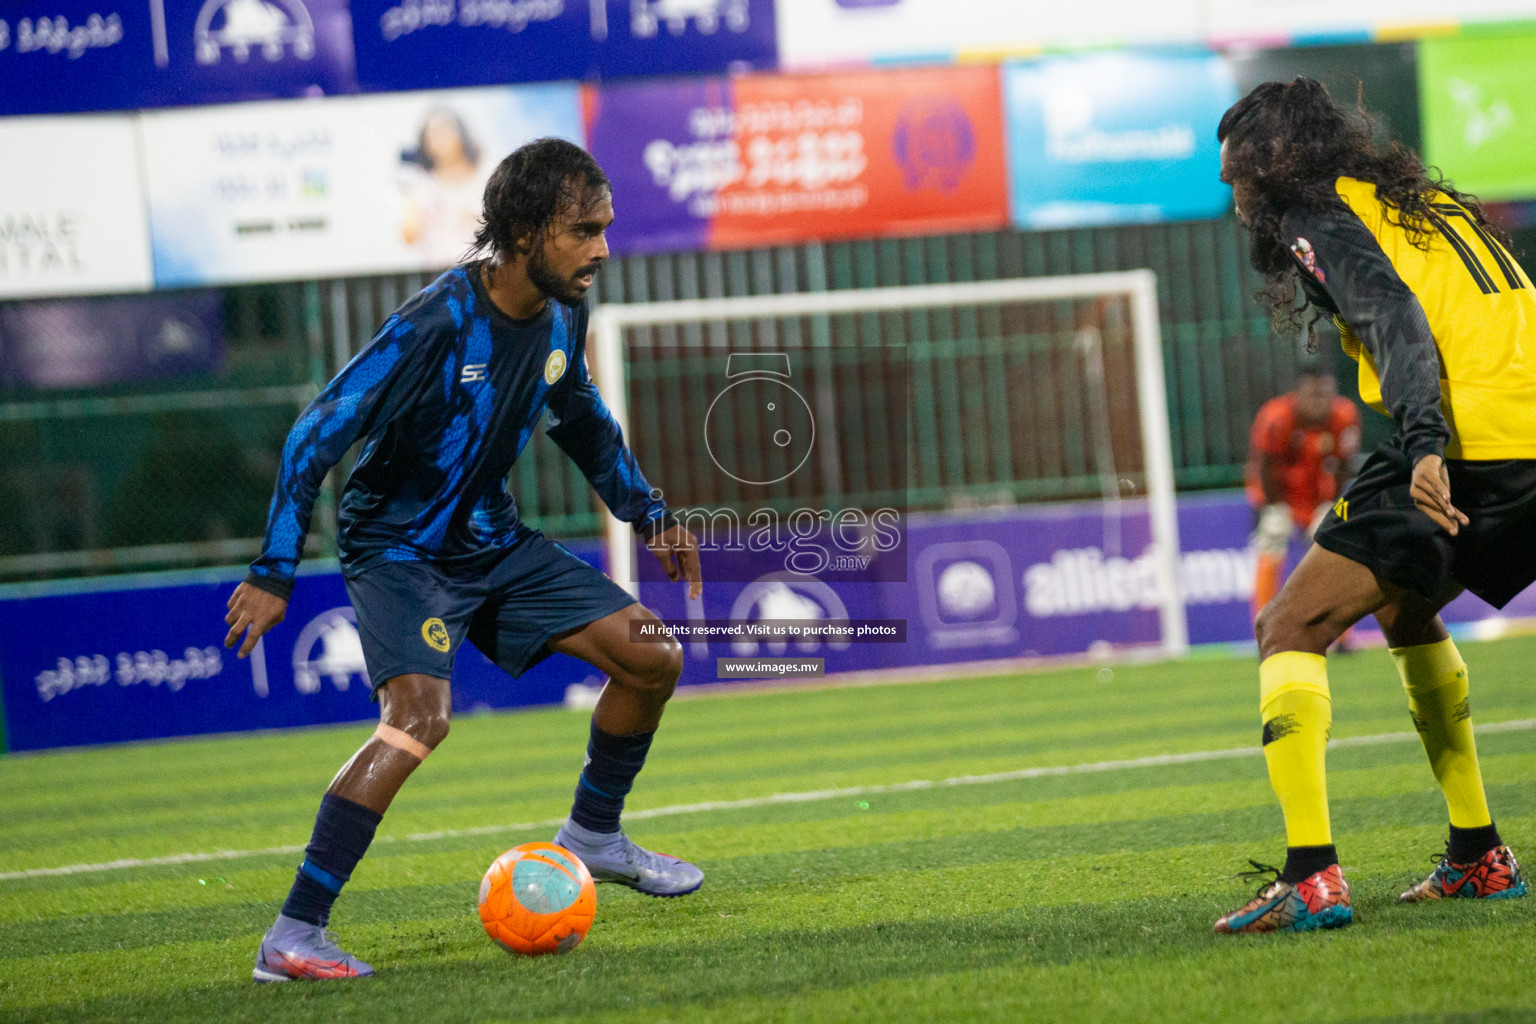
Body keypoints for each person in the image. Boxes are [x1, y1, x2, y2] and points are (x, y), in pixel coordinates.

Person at [225, 138, 705, 981]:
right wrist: (273, 570)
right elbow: (315, 434)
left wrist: (649, 513)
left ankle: (593, 837)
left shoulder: (563, 313)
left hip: (491, 540)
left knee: (650, 656)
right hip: (399, 550)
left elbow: (581, 417)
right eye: (583, 230)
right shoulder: (437, 322)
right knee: (419, 719)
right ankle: (292, 934)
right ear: (523, 233)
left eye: (605, 228)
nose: (602, 248)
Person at [1212, 78, 1531, 935]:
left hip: (1470, 437)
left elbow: (1395, 319)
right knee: (1406, 606)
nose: (1236, 202)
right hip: (1525, 433)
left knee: (1287, 626)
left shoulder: (1318, 214)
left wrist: (1424, 441)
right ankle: (1479, 855)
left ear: (1275, 168)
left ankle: (1310, 877)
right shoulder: (1419, 204)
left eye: (1238, 180)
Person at [1246, 367, 1360, 621]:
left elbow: (1344, 463)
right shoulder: (1276, 417)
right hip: (1277, 495)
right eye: (1313, 395)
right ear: (1298, 394)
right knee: (1270, 552)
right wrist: (1273, 507)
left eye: (1325, 395)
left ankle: (1339, 630)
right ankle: (1264, 625)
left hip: (1317, 496)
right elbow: (1264, 464)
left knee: (1334, 557)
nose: (1320, 403)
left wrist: (1331, 503)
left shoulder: (1345, 416)